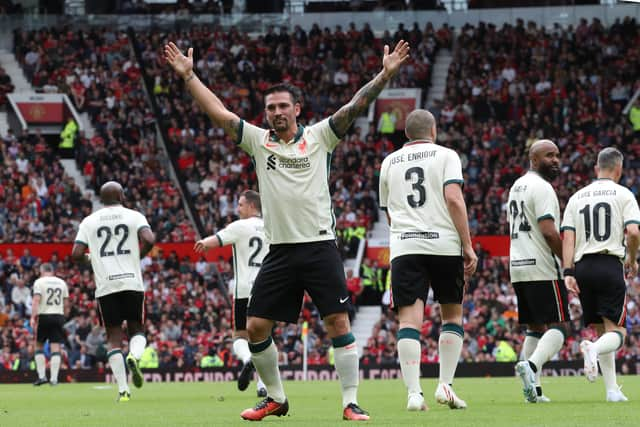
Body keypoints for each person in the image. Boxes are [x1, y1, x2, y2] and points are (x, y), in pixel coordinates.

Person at [164, 38, 410, 421]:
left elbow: (355, 106)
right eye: (270, 108)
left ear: (297, 109)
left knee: (338, 322)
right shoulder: (259, 143)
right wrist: (189, 76)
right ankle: (276, 397)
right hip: (280, 251)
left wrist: (385, 74)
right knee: (256, 326)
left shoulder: (320, 137)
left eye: (282, 106)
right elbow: (220, 112)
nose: (276, 112)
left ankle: (349, 401)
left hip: (319, 247)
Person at [378, 109, 477, 411]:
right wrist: (468, 246)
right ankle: (445, 385)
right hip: (444, 244)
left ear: (407, 133)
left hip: (405, 247)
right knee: (452, 316)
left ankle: (413, 393)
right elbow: (453, 199)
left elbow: (389, 211)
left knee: (409, 321)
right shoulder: (446, 155)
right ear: (432, 130)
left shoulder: (388, 162)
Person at [561, 147, 640, 402]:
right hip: (609, 264)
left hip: (583, 267)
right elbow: (634, 233)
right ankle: (592, 349)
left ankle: (611, 390)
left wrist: (568, 271)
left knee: (600, 329)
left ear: (597, 168)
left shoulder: (577, 197)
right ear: (619, 169)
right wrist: (632, 259)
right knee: (617, 333)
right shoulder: (624, 194)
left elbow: (568, 237)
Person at [71, 181, 155, 402]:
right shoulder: (134, 216)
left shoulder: (89, 221)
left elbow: (76, 253)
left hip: (106, 286)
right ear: (120, 196)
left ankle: (123, 390)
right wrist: (137, 256)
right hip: (131, 282)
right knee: (137, 329)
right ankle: (134, 356)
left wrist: (92, 259)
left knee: (114, 338)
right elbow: (149, 239)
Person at [508, 140, 568, 403]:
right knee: (560, 327)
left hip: (518, 266)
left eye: (557, 155)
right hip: (542, 266)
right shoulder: (542, 188)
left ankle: (534, 390)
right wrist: (568, 260)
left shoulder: (517, 185)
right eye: (548, 155)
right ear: (533, 160)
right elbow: (548, 230)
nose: (555, 160)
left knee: (535, 328)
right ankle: (531, 366)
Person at [194, 190, 268, 397]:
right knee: (264, 338)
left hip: (244, 289)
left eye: (241, 205)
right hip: (266, 289)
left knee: (239, 335)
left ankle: (247, 360)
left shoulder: (239, 226)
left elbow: (214, 240)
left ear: (252, 206)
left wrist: (202, 244)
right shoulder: (272, 226)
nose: (238, 209)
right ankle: (263, 385)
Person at [30, 263, 69, 386]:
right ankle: (54, 379)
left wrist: (33, 317)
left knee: (38, 345)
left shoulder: (39, 282)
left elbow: (36, 300)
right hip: (58, 315)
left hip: (44, 315)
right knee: (55, 346)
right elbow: (66, 304)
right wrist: (64, 317)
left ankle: (42, 377)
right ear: (52, 271)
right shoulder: (62, 282)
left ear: (42, 271)